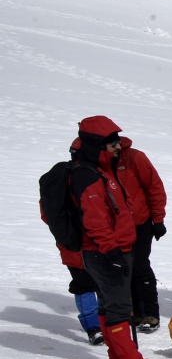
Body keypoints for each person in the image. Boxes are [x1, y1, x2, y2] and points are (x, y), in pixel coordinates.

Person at [71, 117, 165, 359]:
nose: (117, 147)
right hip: (106, 251)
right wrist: (112, 251)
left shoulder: (100, 170)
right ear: (97, 144)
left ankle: (118, 357)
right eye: (112, 143)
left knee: (109, 305)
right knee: (120, 308)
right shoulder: (88, 176)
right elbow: (95, 220)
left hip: (112, 248)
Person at [42, 138, 103, 345]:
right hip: (93, 241)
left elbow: (47, 213)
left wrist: (62, 232)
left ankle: (95, 327)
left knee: (84, 283)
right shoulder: (91, 176)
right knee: (98, 283)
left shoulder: (56, 177)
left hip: (69, 241)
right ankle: (101, 325)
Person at [115, 136, 167, 332]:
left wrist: (158, 220)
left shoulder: (134, 157)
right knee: (120, 268)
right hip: (113, 226)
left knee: (140, 265)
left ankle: (149, 313)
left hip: (139, 223)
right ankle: (131, 312)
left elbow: (155, 187)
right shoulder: (98, 160)